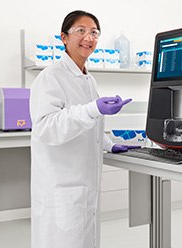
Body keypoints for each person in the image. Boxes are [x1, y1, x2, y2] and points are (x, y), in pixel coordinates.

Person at [30, 10, 140, 248]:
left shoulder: (88, 80)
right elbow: (47, 128)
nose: (88, 38)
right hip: (62, 186)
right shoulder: (51, 77)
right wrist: (92, 109)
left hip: (83, 186)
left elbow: (88, 125)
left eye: (94, 33)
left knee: (84, 240)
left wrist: (109, 144)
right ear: (64, 37)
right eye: (81, 31)